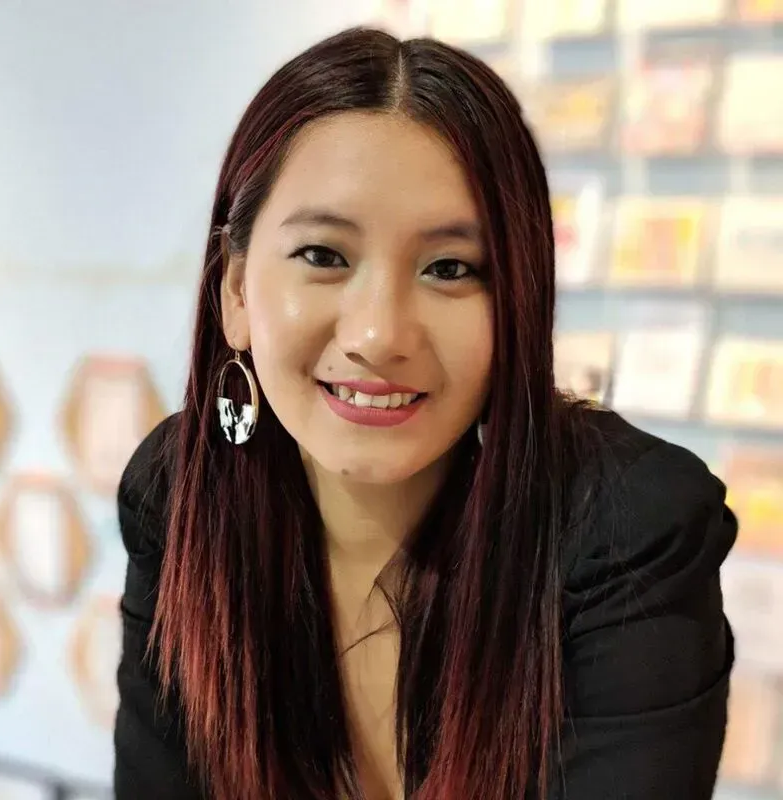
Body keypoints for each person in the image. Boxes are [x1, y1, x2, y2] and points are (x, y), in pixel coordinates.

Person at [114, 27, 736, 800]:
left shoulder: (628, 529)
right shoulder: (175, 495)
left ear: (516, 303)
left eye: (450, 269)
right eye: (323, 256)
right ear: (237, 291)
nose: (379, 335)